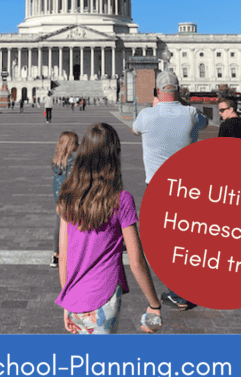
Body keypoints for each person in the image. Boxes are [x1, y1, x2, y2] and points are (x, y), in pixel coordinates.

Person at [56, 122, 162, 335]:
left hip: (75, 296)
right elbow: (136, 260)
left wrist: (66, 300)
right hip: (104, 296)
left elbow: (64, 254)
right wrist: (154, 304)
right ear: (115, 155)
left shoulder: (68, 195)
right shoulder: (121, 200)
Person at [132, 69, 208, 311]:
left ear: (157, 91)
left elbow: (135, 129)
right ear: (178, 90)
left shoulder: (146, 116)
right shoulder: (191, 114)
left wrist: (156, 107)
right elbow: (204, 122)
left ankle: (181, 291)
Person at [50, 131, 79, 269]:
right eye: (76, 143)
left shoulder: (56, 160)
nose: (78, 145)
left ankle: (56, 253)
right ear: (70, 145)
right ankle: (69, 253)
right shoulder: (72, 162)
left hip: (59, 197)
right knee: (72, 225)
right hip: (69, 198)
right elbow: (70, 182)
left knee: (59, 226)